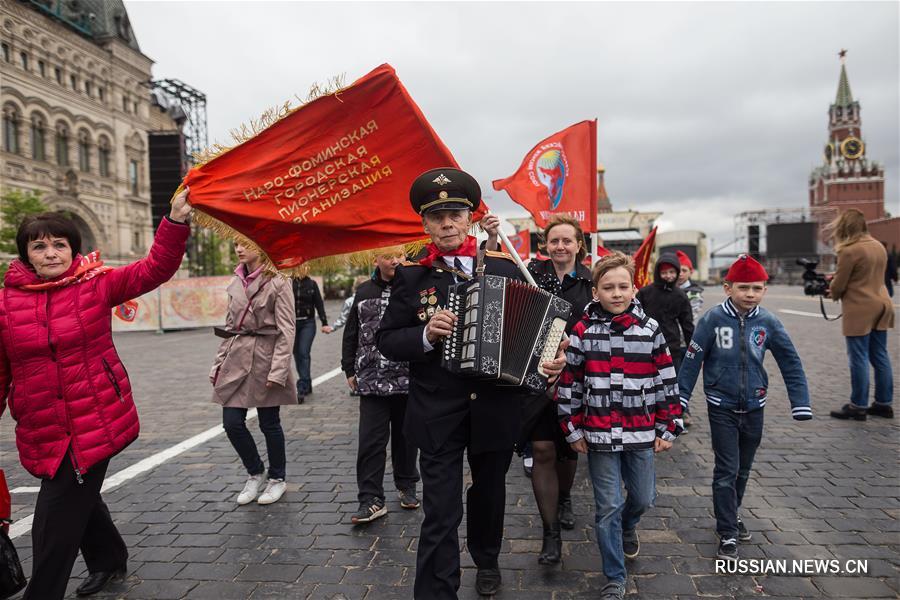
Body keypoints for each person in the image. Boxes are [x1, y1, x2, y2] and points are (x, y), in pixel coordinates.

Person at [376, 167, 566, 599]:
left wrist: (553, 356)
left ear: (469, 218)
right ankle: (436, 591)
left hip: (496, 406)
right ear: (424, 224)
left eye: (455, 214)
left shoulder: (505, 265)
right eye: (437, 216)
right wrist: (426, 335)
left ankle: (487, 558)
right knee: (440, 511)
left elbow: (546, 323)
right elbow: (387, 340)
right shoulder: (411, 275)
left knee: (488, 494)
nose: (447, 223)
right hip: (437, 410)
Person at [0, 190, 191, 599]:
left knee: (55, 516)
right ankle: (108, 558)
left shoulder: (97, 286)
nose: (50, 253)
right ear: (26, 255)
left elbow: (154, 268)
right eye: (39, 246)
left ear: (73, 250)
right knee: (77, 497)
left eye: (59, 244)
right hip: (42, 426)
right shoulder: (5, 305)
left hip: (95, 419)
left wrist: (174, 221)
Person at [557, 251, 682, 600]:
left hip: (640, 431)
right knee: (607, 505)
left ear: (634, 289)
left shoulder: (650, 330)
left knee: (643, 497)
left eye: (622, 286)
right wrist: (571, 427)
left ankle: (630, 525)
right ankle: (615, 575)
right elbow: (571, 381)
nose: (616, 293)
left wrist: (668, 423)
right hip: (598, 433)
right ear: (595, 291)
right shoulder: (583, 330)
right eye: (608, 287)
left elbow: (665, 380)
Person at [678, 254, 811, 562]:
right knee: (726, 468)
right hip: (720, 404)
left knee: (744, 469)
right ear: (728, 288)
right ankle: (726, 531)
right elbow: (692, 361)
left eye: (757, 288)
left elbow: (790, 360)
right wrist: (680, 401)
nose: (750, 294)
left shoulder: (768, 322)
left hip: (755, 404)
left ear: (764, 290)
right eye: (743, 287)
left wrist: (800, 402)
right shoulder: (712, 320)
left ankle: (731, 512)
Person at [519, 215, 593, 564]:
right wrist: (490, 238)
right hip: (536, 380)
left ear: (580, 245)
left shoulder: (592, 283)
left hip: (576, 380)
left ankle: (565, 497)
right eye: (554, 241)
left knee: (568, 450)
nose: (561, 247)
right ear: (545, 245)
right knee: (543, 450)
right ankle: (550, 535)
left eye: (568, 241)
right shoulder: (530, 274)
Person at [210, 241, 297, 506]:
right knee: (232, 422)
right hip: (237, 358)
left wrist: (279, 369)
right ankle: (255, 471)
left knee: (269, 422)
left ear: (261, 247)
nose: (238, 248)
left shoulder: (279, 281)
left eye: (245, 244)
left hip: (266, 358)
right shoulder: (235, 281)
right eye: (235, 243)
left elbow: (286, 329)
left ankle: (277, 479)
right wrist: (218, 364)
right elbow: (229, 327)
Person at [342, 250, 420, 524]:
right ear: (376, 260)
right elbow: (351, 330)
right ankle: (370, 498)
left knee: (406, 438)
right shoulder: (363, 291)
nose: (394, 260)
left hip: (407, 376)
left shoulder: (414, 288)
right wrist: (348, 368)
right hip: (372, 378)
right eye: (388, 256)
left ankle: (407, 485)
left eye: (399, 255)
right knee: (371, 441)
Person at [824, 210, 895, 420]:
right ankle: (883, 403)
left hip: (860, 307)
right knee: (880, 355)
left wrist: (832, 289)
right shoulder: (878, 246)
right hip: (882, 304)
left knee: (859, 357)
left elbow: (839, 285)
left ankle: (858, 405)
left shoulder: (849, 250)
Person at [636, 252, 694, 373]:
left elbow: (687, 325)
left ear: (677, 272)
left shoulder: (681, 296)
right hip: (646, 346)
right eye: (664, 272)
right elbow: (635, 318)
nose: (668, 276)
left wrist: (692, 350)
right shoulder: (645, 293)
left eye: (672, 272)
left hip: (672, 348)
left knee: (673, 384)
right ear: (658, 273)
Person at [291, 271, 327, 402]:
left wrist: (324, 322)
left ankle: (302, 386)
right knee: (296, 353)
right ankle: (307, 382)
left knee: (303, 352)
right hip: (292, 324)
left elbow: (319, 303)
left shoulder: (312, 284)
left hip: (308, 323)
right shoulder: (288, 283)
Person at [676, 250, 704, 321]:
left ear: (691, 272)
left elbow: (690, 317)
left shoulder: (694, 293)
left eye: (684, 270)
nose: (680, 274)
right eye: (677, 270)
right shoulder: (668, 289)